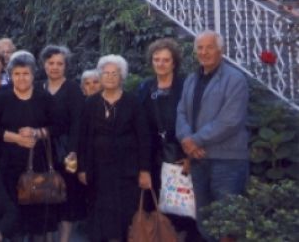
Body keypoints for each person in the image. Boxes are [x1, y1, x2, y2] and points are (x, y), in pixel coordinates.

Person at [176, 31, 249, 241]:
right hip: (198, 159)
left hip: (227, 161)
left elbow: (230, 120)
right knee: (204, 219)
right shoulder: (191, 79)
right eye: (200, 48)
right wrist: (186, 139)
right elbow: (181, 113)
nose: (204, 52)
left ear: (221, 50)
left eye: (209, 47)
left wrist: (195, 140)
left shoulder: (235, 79)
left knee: (228, 221)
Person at [0, 50, 59, 240]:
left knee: (37, 217)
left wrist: (37, 133)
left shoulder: (44, 98)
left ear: (33, 75)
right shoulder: (2, 98)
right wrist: (17, 138)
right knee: (13, 214)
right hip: (10, 165)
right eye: (17, 74)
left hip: (39, 165)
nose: (21, 78)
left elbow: (59, 126)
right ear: (11, 75)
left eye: (26, 73)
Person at [78, 55, 151, 242]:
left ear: (122, 77)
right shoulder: (90, 103)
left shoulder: (133, 102)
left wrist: (144, 170)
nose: (110, 77)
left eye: (114, 73)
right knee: (99, 217)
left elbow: (144, 138)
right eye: (106, 73)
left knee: (123, 216)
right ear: (100, 76)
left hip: (126, 171)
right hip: (97, 171)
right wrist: (83, 168)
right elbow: (83, 138)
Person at [136, 38, 199, 241]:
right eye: (156, 59)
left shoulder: (186, 86)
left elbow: (195, 120)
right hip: (154, 158)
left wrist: (190, 156)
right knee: (156, 207)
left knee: (182, 210)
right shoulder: (145, 88)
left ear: (174, 63)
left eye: (165, 60)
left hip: (180, 157)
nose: (160, 64)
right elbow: (140, 126)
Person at [39, 46, 86, 242]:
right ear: (44, 65)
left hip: (67, 150)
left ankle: (64, 239)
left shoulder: (73, 89)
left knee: (67, 196)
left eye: (59, 63)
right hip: (42, 150)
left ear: (66, 66)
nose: (55, 67)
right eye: (51, 63)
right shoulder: (38, 87)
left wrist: (73, 151)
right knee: (46, 196)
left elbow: (78, 122)